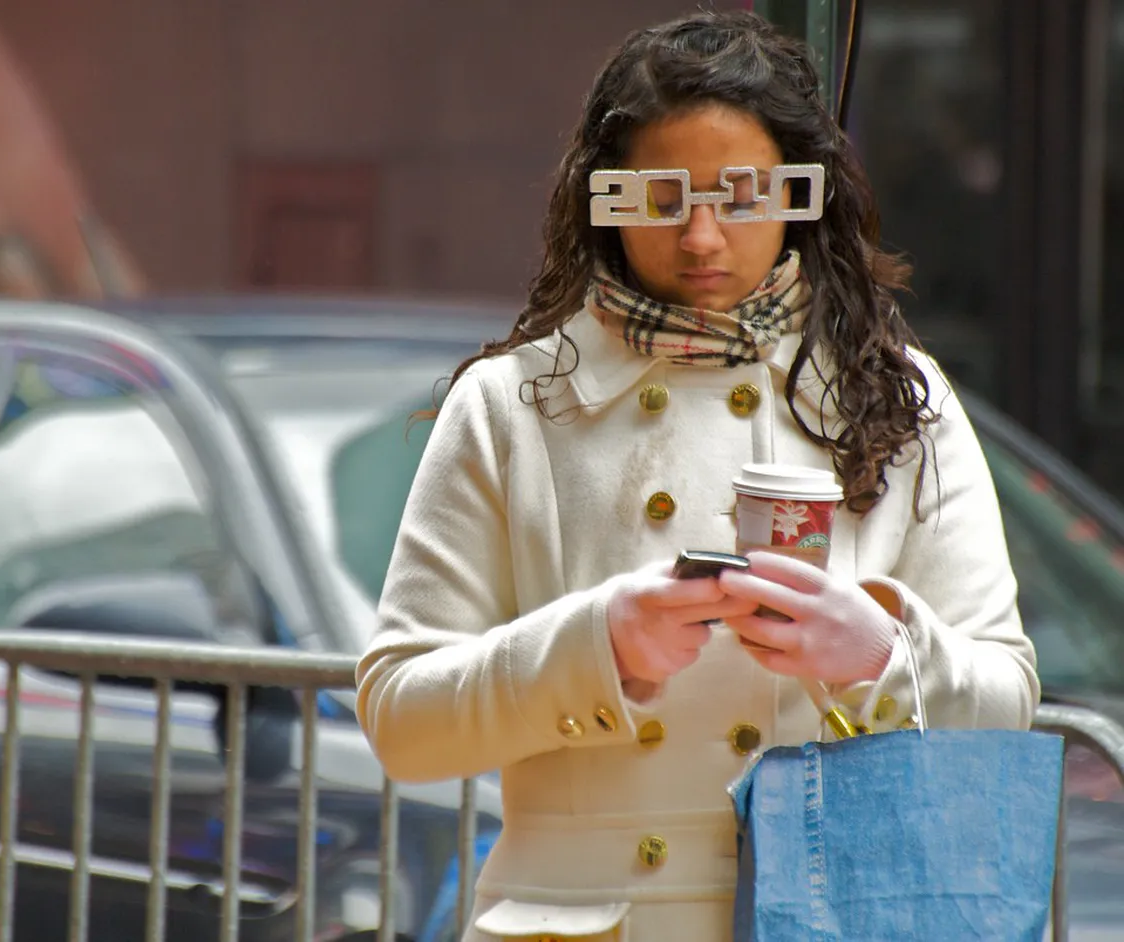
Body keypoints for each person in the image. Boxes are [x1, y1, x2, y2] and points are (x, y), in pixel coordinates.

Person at [356, 10, 1039, 941]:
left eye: (743, 196)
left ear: (803, 196)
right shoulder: (514, 404)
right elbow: (400, 719)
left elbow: (1007, 698)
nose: (705, 238)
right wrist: (596, 647)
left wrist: (878, 657)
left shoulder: (897, 394)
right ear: (607, 201)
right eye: (667, 198)